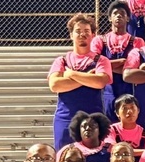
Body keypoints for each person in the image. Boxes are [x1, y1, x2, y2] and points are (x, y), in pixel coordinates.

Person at [48, 13, 112, 149]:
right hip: (65, 118)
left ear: (93, 35)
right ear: (71, 35)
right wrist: (86, 77)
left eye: (87, 31)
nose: (82, 34)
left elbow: (100, 81)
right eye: (78, 31)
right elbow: (55, 85)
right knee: (64, 159)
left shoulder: (101, 60)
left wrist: (71, 74)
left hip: (92, 119)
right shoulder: (62, 60)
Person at [91, 0, 143, 118]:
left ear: (128, 19)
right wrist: (123, 63)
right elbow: (94, 65)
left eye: (122, 13)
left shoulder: (137, 41)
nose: (118, 15)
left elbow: (137, 68)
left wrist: (106, 66)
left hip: (130, 90)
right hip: (106, 92)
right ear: (109, 18)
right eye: (115, 13)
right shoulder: (99, 40)